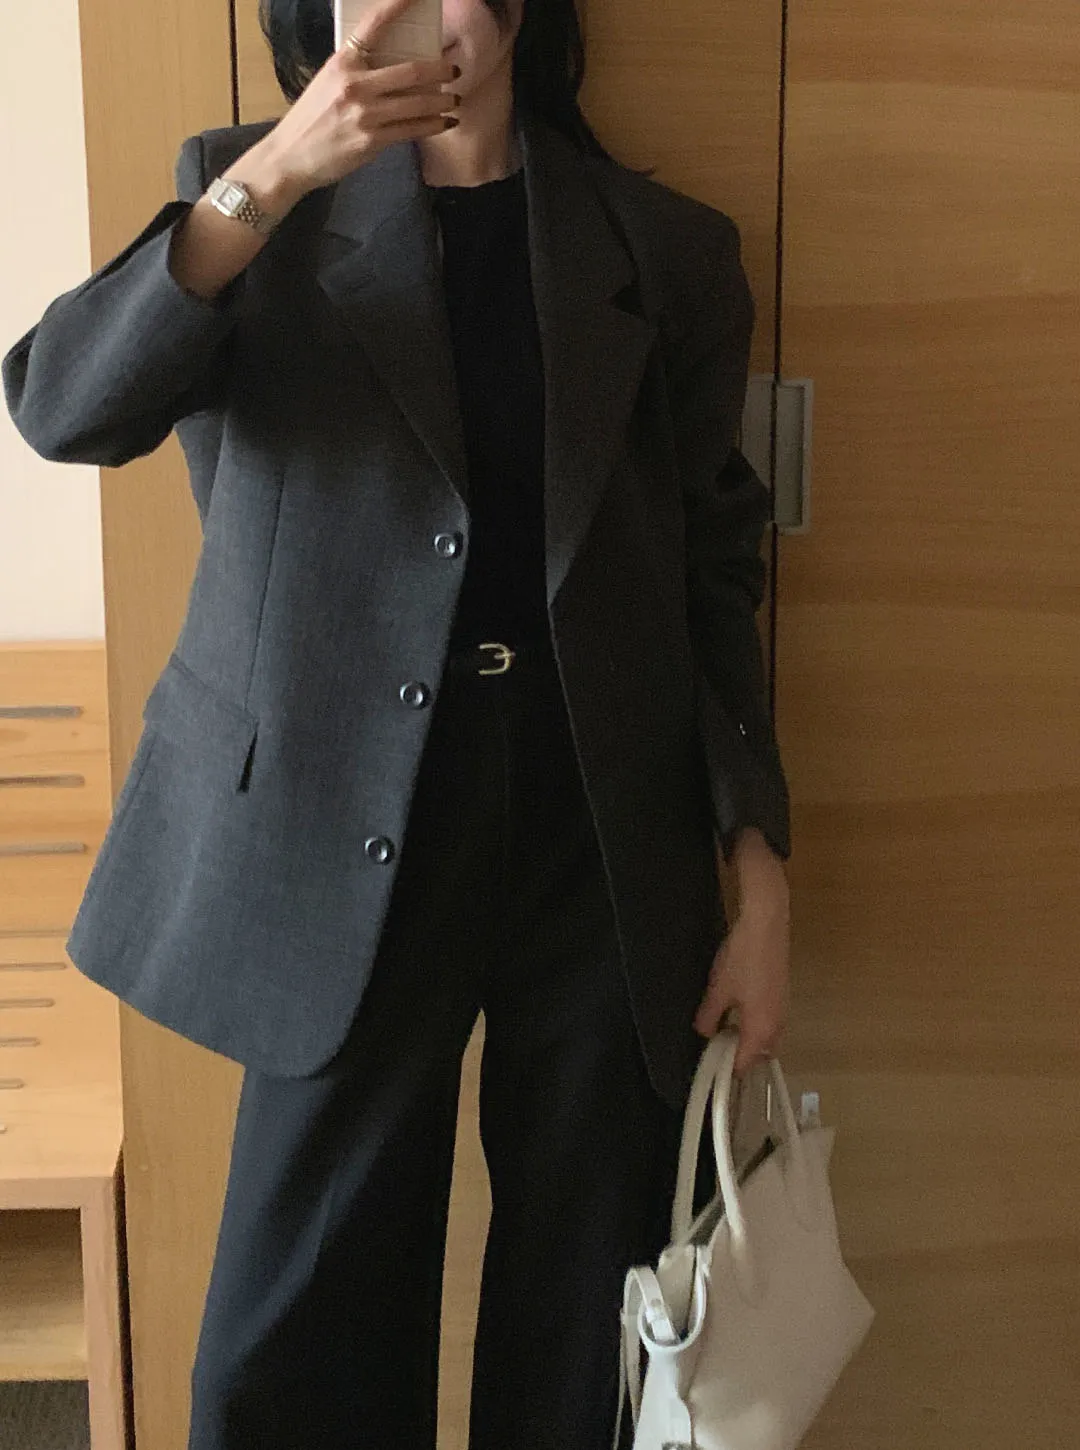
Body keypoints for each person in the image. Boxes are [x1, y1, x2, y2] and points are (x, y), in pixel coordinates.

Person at [1, 0, 793, 1445]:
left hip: (597, 839)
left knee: (587, 1324)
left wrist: (759, 870)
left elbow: (714, 574)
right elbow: (62, 408)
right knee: (293, 1329)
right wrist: (277, 173)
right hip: (334, 826)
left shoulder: (662, 251)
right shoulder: (247, 199)